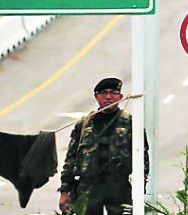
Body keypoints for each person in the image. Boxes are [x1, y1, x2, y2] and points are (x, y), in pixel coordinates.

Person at [58, 77, 148, 214]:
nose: (108, 97)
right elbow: (71, 159)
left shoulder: (130, 123)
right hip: (88, 187)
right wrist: (65, 191)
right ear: (96, 96)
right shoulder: (84, 124)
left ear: (120, 96)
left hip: (118, 187)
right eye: (103, 93)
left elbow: (142, 158)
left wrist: (140, 190)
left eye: (113, 92)